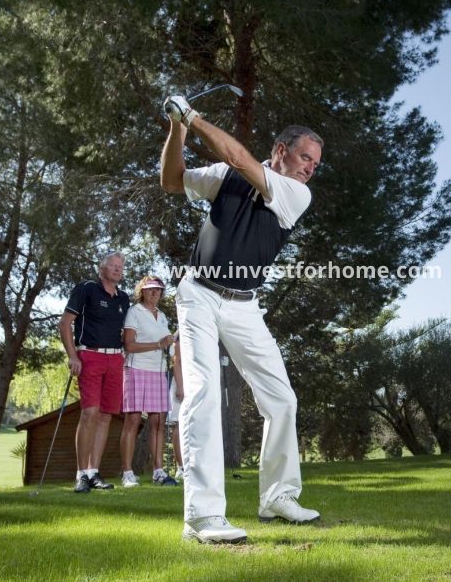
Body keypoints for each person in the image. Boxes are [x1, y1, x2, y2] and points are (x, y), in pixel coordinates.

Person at [161, 94, 323, 544]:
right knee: (203, 393)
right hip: (198, 294)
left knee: (281, 399)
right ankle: (202, 516)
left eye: (315, 164)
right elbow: (172, 180)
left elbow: (238, 157)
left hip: (244, 306)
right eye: (305, 158)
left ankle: (278, 497)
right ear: (281, 150)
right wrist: (177, 129)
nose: (311, 169)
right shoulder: (225, 176)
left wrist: (192, 116)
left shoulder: (296, 193)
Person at [58, 251, 131, 493]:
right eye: (113, 265)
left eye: (121, 266)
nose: (118, 269)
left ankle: (93, 472)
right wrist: (72, 355)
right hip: (89, 355)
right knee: (90, 412)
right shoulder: (87, 288)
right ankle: (80, 474)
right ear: (102, 269)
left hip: (115, 358)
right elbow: (65, 323)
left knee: (106, 415)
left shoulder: (123, 298)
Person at [120, 275, 177, 487]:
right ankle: (127, 473)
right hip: (135, 368)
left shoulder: (162, 316)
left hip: (158, 371)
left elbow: (166, 344)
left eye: (158, 289)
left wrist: (170, 344)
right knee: (133, 421)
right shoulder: (134, 312)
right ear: (142, 291)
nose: (155, 292)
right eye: (150, 289)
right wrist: (158, 344)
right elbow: (129, 345)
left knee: (158, 422)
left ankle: (158, 472)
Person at [166, 332, 185, 480]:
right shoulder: (179, 336)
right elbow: (177, 362)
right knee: (178, 425)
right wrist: (180, 386)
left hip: (196, 383)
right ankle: (181, 467)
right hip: (181, 383)